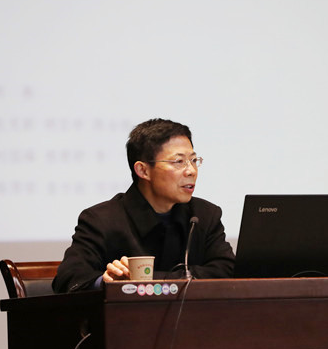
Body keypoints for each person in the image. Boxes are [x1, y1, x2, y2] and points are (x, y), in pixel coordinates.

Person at [52, 118, 235, 293]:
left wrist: (144, 281)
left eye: (193, 160)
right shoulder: (101, 220)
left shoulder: (204, 215)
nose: (191, 171)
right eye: (179, 162)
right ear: (143, 170)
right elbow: (69, 278)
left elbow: (227, 270)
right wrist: (106, 282)